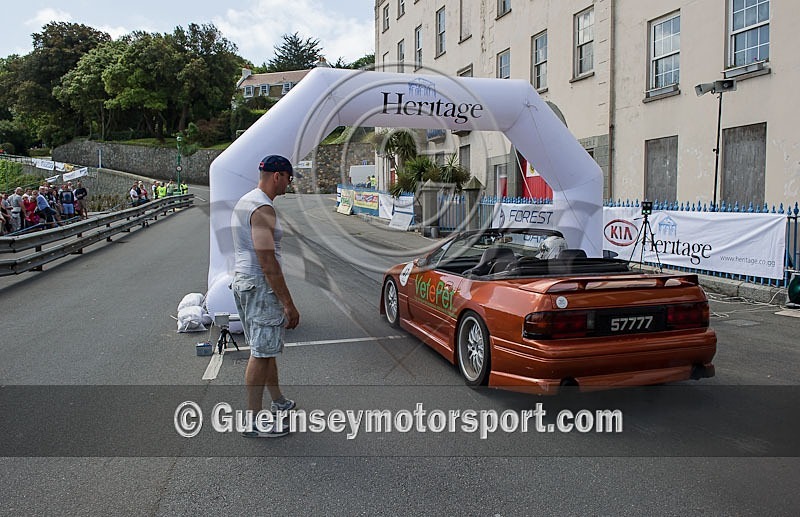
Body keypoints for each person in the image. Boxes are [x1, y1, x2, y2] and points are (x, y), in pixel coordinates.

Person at [230, 154, 301, 438]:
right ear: (278, 176)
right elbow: (267, 260)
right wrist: (288, 303)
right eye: (288, 178)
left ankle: (278, 401)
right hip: (260, 285)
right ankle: (253, 420)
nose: (288, 184)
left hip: (246, 281)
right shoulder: (263, 208)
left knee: (265, 347)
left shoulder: (247, 199)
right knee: (260, 353)